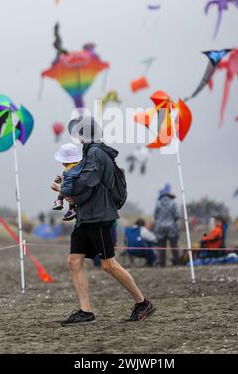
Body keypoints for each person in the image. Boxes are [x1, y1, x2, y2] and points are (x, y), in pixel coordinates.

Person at [51, 114, 155, 325]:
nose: (77, 138)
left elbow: (87, 182)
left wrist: (64, 189)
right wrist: (68, 187)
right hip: (85, 216)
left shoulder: (96, 153)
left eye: (79, 133)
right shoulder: (90, 152)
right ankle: (85, 311)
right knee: (74, 261)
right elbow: (84, 182)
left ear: (84, 134)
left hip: (98, 216)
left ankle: (142, 302)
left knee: (108, 264)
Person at [51, 143, 84, 221]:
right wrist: (62, 178)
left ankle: (64, 204)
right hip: (78, 188)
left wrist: (59, 189)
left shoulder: (68, 170)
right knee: (65, 184)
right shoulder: (80, 165)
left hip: (73, 192)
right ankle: (64, 204)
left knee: (64, 188)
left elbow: (67, 187)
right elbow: (73, 178)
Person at [154, 188, 180, 267]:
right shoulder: (174, 203)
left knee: (161, 246)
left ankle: (162, 263)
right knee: (174, 245)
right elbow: (177, 215)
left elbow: (155, 216)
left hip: (160, 227)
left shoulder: (158, 203)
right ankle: (176, 261)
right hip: (171, 227)